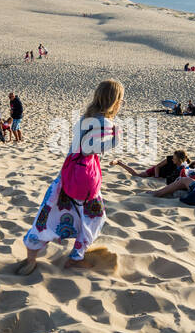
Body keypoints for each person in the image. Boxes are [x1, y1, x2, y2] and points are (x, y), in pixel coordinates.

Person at [18, 79, 122, 274]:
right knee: (94, 217)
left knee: (48, 213)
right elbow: (91, 148)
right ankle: (75, 258)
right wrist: (116, 139)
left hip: (67, 173)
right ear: (114, 101)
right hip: (84, 179)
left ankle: (31, 256)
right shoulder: (104, 122)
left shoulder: (86, 116)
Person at [112, 150, 190, 184]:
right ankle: (119, 163)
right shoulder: (169, 159)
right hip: (155, 172)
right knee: (136, 175)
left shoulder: (184, 165)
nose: (172, 159)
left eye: (174, 158)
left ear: (179, 160)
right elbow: (157, 167)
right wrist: (156, 177)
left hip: (163, 176)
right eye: (173, 157)